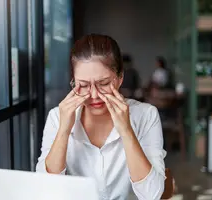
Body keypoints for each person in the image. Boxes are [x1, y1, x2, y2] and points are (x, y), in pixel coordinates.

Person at [36, 34, 166, 200]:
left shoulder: (146, 115)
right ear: (73, 82)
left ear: (120, 78)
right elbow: (45, 192)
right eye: (83, 85)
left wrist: (126, 131)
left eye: (104, 83)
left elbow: (152, 194)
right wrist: (63, 131)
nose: (94, 95)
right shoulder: (57, 116)